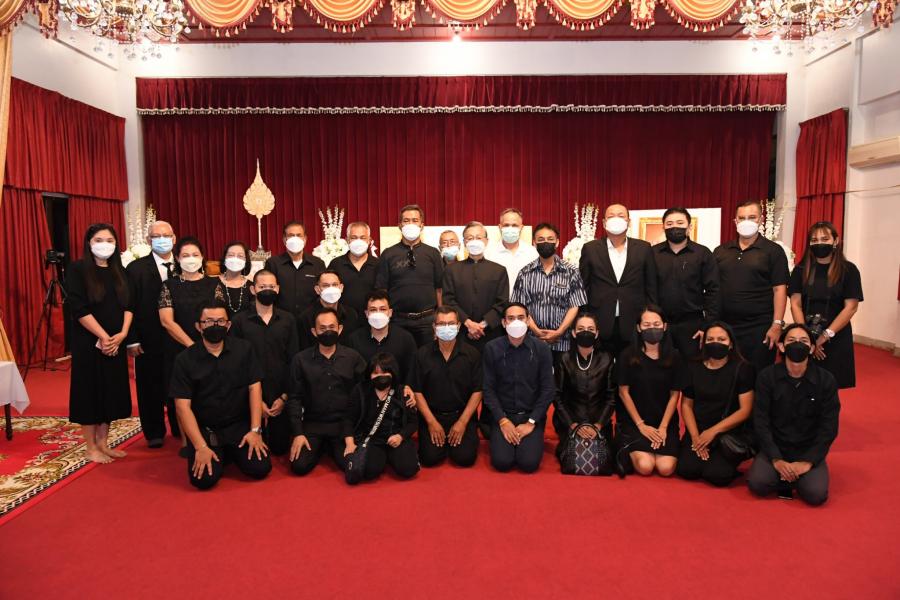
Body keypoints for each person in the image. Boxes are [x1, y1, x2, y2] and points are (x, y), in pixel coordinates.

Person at [170, 300, 271, 489]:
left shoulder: (244, 349)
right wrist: (200, 447)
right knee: (204, 480)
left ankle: (228, 453)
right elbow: (182, 407)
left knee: (260, 468)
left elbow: (254, 388)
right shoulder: (184, 360)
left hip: (239, 425)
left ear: (228, 325)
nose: (215, 326)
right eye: (209, 321)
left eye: (221, 321)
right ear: (199, 326)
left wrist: (255, 430)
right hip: (206, 429)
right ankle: (221, 452)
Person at [747, 324, 840, 505]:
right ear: (781, 346)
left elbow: (829, 428)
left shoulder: (826, 380)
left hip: (808, 449)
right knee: (758, 484)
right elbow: (760, 421)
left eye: (803, 341)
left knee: (816, 495)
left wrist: (808, 462)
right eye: (791, 340)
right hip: (775, 447)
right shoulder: (766, 377)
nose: (797, 344)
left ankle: (795, 476)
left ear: (812, 348)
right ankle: (787, 475)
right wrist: (776, 458)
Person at [68, 223, 133, 464]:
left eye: (109, 240)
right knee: (89, 392)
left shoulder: (120, 271)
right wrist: (103, 336)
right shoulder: (77, 269)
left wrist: (122, 334)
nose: (104, 244)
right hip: (89, 342)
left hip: (115, 342)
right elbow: (78, 307)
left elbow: (129, 305)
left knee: (110, 391)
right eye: (98, 240)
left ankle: (104, 443)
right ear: (89, 243)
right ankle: (90, 447)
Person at [158, 236, 226, 453]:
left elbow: (219, 316)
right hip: (180, 348)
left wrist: (205, 345)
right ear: (177, 258)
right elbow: (166, 321)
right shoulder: (169, 285)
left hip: (212, 345)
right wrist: (192, 346)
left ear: (202, 257)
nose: (190, 259)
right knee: (183, 395)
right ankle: (187, 442)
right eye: (185, 255)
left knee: (210, 391)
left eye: (195, 254)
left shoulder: (214, 283)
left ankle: (212, 434)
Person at [286, 308, 367, 476]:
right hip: (313, 424)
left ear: (340, 329)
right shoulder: (300, 360)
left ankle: (330, 448)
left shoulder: (353, 357)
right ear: (314, 332)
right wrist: (298, 433)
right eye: (322, 328)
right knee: (299, 466)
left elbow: (367, 389)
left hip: (343, 426)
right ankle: (322, 447)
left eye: (332, 327)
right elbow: (294, 398)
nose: (327, 331)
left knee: (353, 466)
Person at [713, 201, 790, 373]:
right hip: (726, 326)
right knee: (729, 374)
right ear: (735, 221)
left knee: (759, 375)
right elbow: (713, 289)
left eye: (752, 217)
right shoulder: (720, 251)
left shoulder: (773, 251)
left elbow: (779, 289)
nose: (746, 221)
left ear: (761, 220)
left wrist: (777, 324)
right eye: (742, 218)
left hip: (760, 327)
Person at [230, 270, 299, 456]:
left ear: (278, 289)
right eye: (262, 287)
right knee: (248, 451)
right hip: (249, 394)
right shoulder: (239, 321)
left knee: (279, 448)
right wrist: (256, 402)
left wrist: (284, 398)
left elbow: (293, 359)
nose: (267, 290)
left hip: (280, 393)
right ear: (253, 289)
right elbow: (235, 363)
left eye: (271, 286)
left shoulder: (288, 319)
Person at [677, 322, 754, 487]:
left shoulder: (743, 369)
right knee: (687, 470)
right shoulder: (692, 366)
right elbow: (686, 405)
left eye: (721, 339)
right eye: (710, 339)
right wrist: (696, 437)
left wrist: (712, 432)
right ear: (703, 343)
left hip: (726, 432)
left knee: (717, 476)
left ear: (731, 344)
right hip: (698, 428)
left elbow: (745, 410)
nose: (715, 343)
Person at [788, 221, 863, 389]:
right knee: (803, 384)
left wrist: (824, 336)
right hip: (806, 337)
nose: (819, 243)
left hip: (836, 335)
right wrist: (807, 338)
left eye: (824, 239)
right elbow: (795, 303)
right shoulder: (800, 270)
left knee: (831, 385)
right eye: (814, 240)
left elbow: (851, 307)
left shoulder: (849, 270)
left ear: (835, 241)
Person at [482, 302, 554, 473]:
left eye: (521, 318)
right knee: (502, 462)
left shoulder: (542, 349)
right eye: (511, 318)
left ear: (528, 320)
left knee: (528, 464)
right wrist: (502, 420)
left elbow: (548, 390)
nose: (516, 322)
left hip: (530, 416)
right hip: (503, 415)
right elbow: (488, 389)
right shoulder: (491, 348)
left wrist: (531, 422)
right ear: (503, 322)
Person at [126, 220, 179, 448]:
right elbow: (128, 305)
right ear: (149, 240)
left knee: (179, 381)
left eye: (166, 235)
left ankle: (180, 426)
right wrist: (131, 339)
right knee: (150, 385)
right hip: (148, 337)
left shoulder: (186, 264)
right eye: (156, 236)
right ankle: (154, 431)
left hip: (179, 336)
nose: (162, 240)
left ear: (174, 238)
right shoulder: (135, 269)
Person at [580, 203, 658, 357]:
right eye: (611, 216)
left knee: (632, 364)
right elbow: (584, 286)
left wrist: (652, 316)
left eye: (621, 216)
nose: (616, 219)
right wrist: (584, 318)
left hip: (633, 319)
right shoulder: (590, 248)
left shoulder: (644, 248)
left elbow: (651, 286)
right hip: (600, 320)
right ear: (604, 223)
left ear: (628, 222)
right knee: (602, 366)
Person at [615, 305, 684, 476]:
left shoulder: (675, 356)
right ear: (639, 328)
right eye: (646, 325)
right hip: (635, 422)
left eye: (656, 324)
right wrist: (641, 425)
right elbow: (623, 393)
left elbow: (675, 395)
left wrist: (663, 427)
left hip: (664, 421)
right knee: (645, 467)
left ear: (664, 326)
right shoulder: (627, 355)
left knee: (666, 469)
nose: (652, 328)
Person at [410, 306, 483, 468]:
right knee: (429, 459)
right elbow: (417, 391)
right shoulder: (421, 354)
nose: (447, 328)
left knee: (465, 458)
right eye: (442, 324)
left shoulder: (472, 354)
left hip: (462, 414)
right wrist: (431, 422)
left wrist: (462, 422)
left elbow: (477, 391)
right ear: (434, 327)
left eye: (451, 323)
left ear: (459, 326)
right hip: (433, 415)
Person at [511, 222, 587, 363]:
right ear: (534, 243)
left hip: (563, 342)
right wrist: (537, 331)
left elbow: (575, 306)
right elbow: (520, 308)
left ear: (557, 242)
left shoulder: (571, 272)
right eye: (541, 239)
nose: (545, 242)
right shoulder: (524, 273)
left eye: (550, 239)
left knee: (561, 377)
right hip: (532, 340)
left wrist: (559, 331)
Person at [652, 207, 720, 360]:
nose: (674, 227)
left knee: (692, 367)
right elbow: (647, 288)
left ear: (689, 227)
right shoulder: (652, 253)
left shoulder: (702, 253)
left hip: (693, 325)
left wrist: (708, 325)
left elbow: (713, 291)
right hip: (660, 324)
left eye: (680, 223)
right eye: (669, 224)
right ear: (663, 227)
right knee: (661, 365)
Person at [375, 204, 444, 346]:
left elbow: (439, 288)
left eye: (415, 220)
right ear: (399, 225)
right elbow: (382, 289)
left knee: (427, 357)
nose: (410, 224)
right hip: (397, 320)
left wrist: (441, 318)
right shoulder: (388, 254)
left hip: (427, 320)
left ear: (422, 225)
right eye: (406, 221)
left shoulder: (433, 253)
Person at [552, 312, 615, 461]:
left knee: (602, 459)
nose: (586, 332)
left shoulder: (607, 358)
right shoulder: (564, 359)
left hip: (599, 423)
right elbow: (557, 396)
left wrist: (598, 425)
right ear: (574, 333)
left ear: (597, 333)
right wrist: (573, 425)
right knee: (573, 458)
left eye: (590, 329)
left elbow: (611, 397)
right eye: (581, 329)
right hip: (570, 423)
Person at [348, 353, 420, 483]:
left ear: (393, 373)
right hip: (372, 439)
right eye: (376, 373)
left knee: (408, 469)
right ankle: (383, 458)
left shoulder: (402, 392)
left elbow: (413, 422)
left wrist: (401, 436)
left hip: (397, 437)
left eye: (385, 372)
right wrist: (349, 443)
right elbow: (348, 418)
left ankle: (393, 457)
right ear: (369, 374)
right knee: (369, 472)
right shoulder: (360, 390)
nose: (381, 376)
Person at [441, 221, 509, 354]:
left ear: (486, 241)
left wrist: (481, 326)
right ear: (464, 242)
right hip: (461, 332)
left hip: (491, 333)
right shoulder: (451, 270)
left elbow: (502, 303)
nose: (474, 241)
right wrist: (468, 323)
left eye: (478, 237)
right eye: (470, 238)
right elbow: (448, 301)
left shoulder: (499, 270)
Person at [264, 221, 326, 332]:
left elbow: (323, 292)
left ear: (305, 239)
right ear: (284, 240)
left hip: (310, 322)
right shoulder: (273, 263)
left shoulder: (318, 264)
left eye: (299, 235)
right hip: (280, 322)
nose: (295, 239)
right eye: (291, 235)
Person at [346, 289, 419, 381]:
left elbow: (412, 372)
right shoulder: (354, 340)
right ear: (366, 314)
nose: (378, 314)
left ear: (390, 312)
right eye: (373, 310)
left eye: (383, 309)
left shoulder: (406, 339)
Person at [296, 270, 361, 349]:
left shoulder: (351, 314)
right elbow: (304, 349)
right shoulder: (305, 318)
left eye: (335, 285)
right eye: (326, 285)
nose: (331, 289)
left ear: (341, 288)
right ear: (317, 289)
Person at [329, 221, 379, 316]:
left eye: (363, 238)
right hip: (343, 318)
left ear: (369, 240)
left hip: (372, 318)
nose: (358, 241)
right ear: (347, 240)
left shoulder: (378, 264)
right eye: (354, 238)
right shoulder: (336, 264)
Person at [485, 207, 539, 291]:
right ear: (500, 227)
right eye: (506, 225)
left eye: (514, 225)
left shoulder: (533, 253)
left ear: (521, 227)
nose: (510, 228)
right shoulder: (488, 253)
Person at [218, 241, 253, 316]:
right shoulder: (212, 283)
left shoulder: (252, 287)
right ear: (224, 259)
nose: (235, 259)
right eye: (231, 255)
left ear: (246, 261)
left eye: (240, 256)